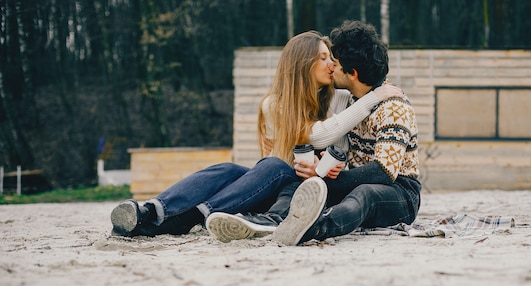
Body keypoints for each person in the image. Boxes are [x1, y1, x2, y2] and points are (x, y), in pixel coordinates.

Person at [110, 30, 403, 237]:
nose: (332, 64)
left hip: (303, 190)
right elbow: (318, 136)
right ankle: (152, 210)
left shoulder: (337, 98)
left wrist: (374, 91)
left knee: (272, 167)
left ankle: (180, 218)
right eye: (324, 58)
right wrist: (372, 99)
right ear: (303, 64)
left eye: (333, 58)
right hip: (276, 183)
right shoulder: (274, 104)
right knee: (228, 169)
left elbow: (351, 99)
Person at [206, 20, 421, 245]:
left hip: (400, 194)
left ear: (352, 73)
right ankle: (272, 220)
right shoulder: (353, 103)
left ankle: (314, 229)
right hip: (357, 184)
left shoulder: (393, 106)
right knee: (300, 184)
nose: (331, 67)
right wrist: (319, 170)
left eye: (335, 63)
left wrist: (326, 178)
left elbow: (383, 172)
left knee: (366, 194)